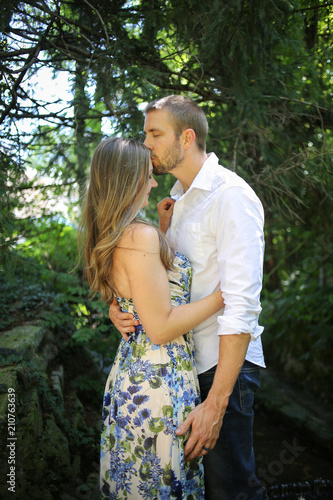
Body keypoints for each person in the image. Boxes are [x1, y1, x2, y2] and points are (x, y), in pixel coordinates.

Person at [109, 95, 266, 500]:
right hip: (178, 372)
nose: (146, 144)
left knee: (232, 489)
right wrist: (121, 307)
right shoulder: (173, 201)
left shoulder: (231, 197)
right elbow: (155, 281)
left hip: (220, 366)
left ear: (187, 137)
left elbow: (242, 307)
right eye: (145, 134)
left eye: (155, 134)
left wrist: (216, 403)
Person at [80, 137, 225, 499]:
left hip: (132, 377)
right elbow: (160, 327)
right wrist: (224, 297)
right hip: (158, 382)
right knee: (160, 484)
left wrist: (162, 230)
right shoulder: (139, 237)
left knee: (138, 485)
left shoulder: (117, 235)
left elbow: (143, 292)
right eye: (147, 174)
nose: (154, 181)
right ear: (127, 181)